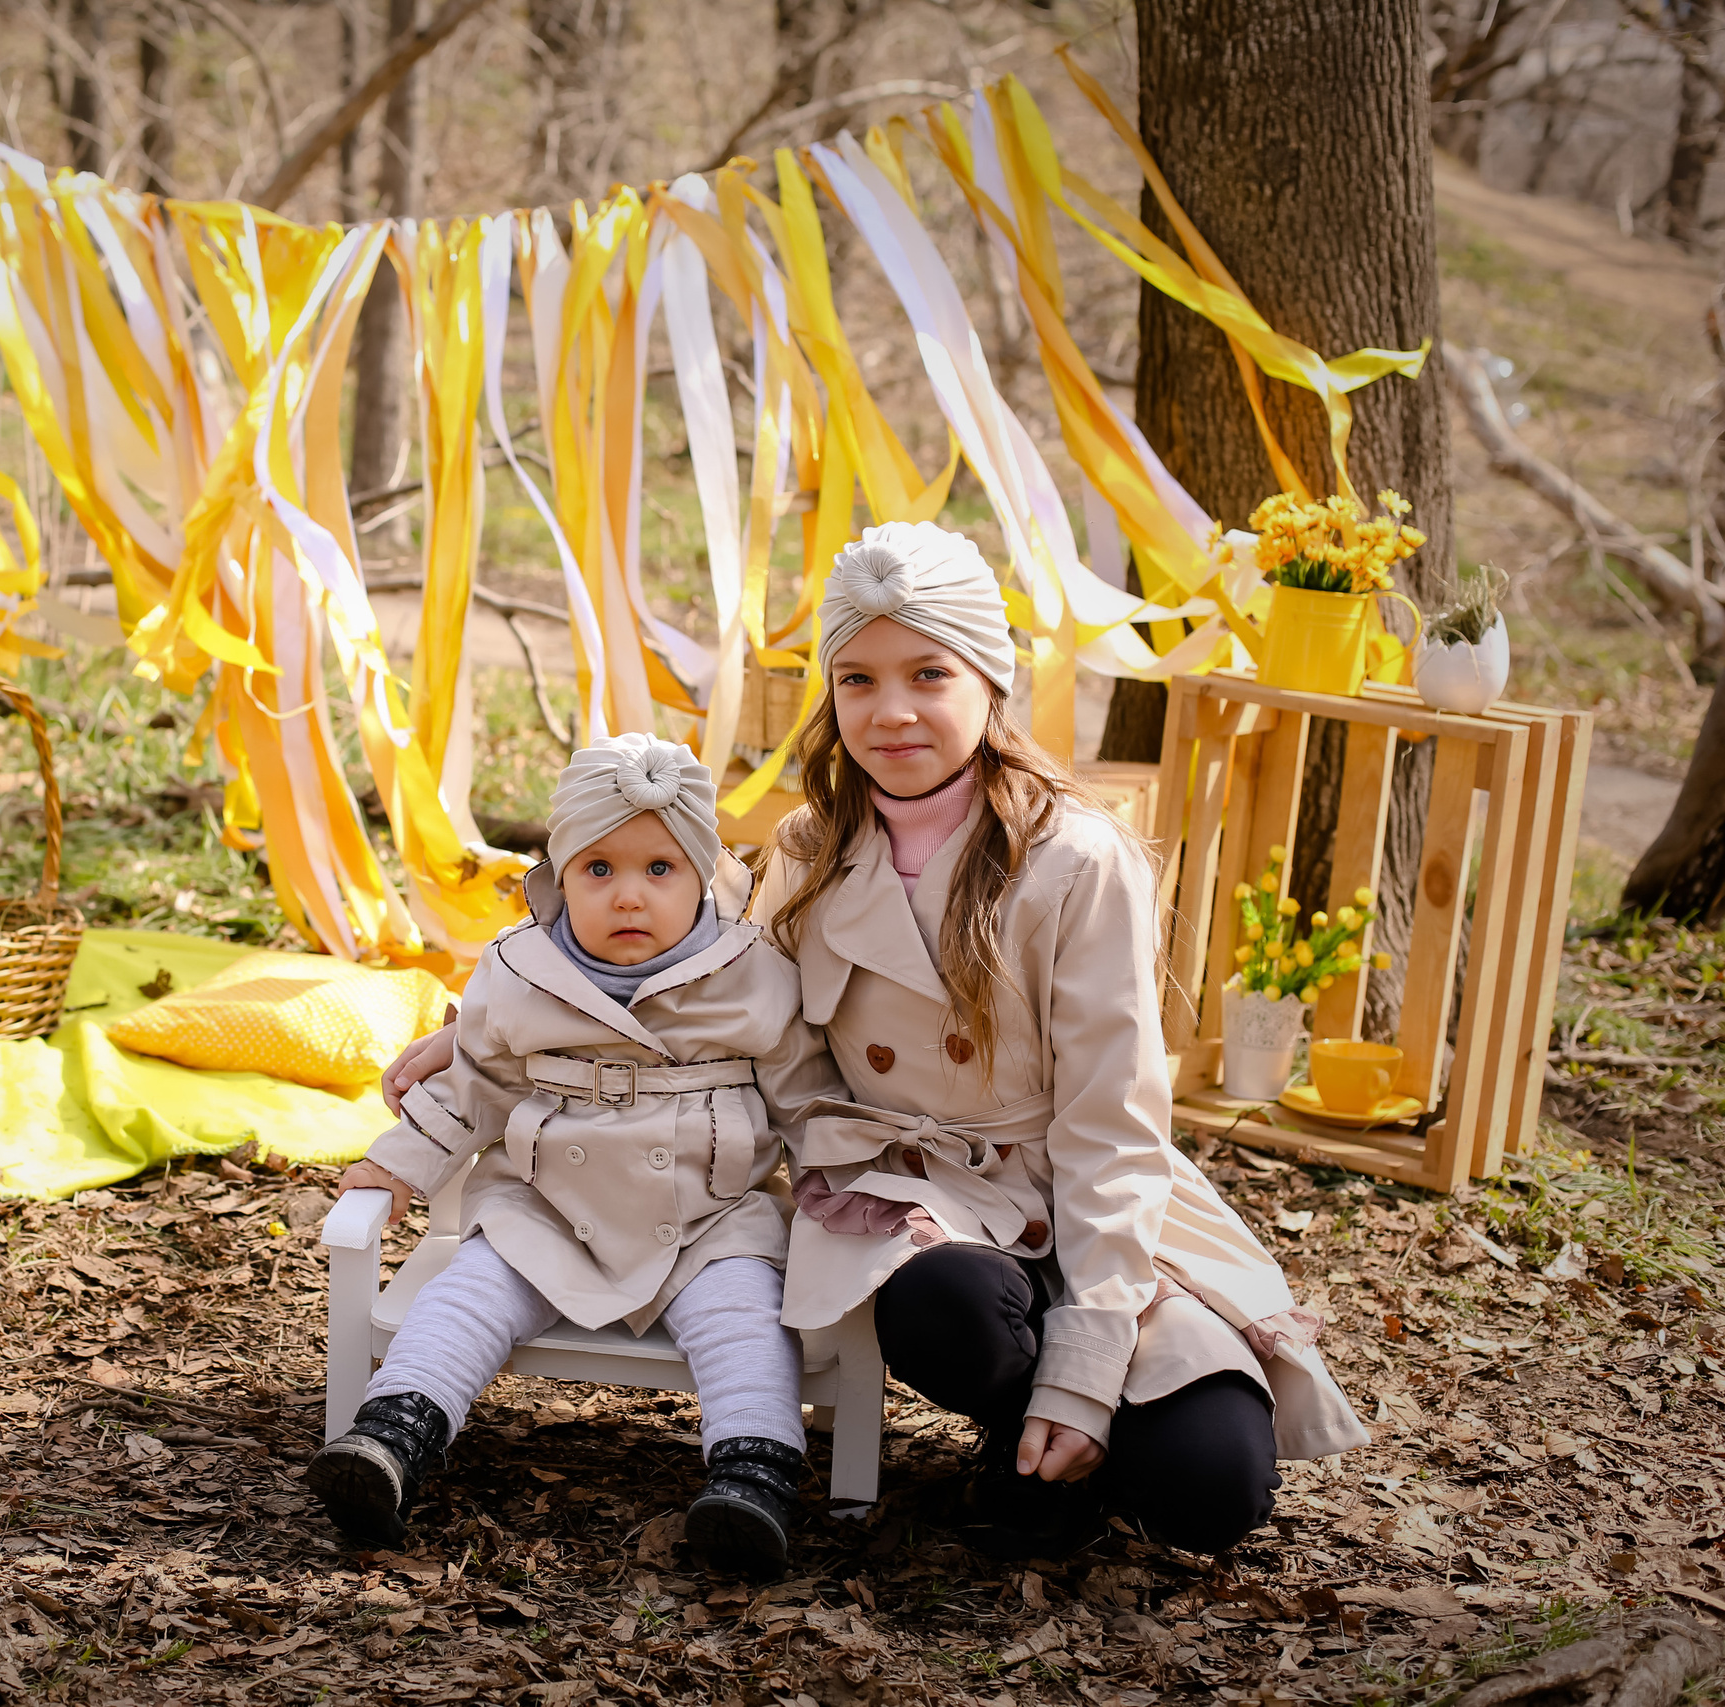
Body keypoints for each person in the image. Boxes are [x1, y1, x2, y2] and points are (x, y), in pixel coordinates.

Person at [384, 522, 1367, 1561]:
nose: (890, 711)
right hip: (917, 1200)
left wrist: (1085, 1368)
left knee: (1210, 1494)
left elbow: (1111, 1128)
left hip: (1082, 1193)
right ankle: (1020, 1441)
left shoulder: (1078, 860)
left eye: (927, 673)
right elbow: (701, 979)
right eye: (857, 679)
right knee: (939, 1305)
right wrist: (488, 1028)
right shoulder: (812, 848)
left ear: (990, 678)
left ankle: (1074, 1421)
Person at [314, 734, 846, 1577]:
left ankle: (754, 1475)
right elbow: (470, 1085)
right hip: (549, 1207)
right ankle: (392, 1433)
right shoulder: (519, 970)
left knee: (745, 1315)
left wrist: (837, 1184)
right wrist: (397, 1164)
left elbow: (807, 1097)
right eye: (597, 870)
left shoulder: (754, 974)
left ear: (705, 876)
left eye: (659, 870)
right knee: (470, 1293)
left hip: (708, 1217)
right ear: (558, 879)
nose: (627, 895)